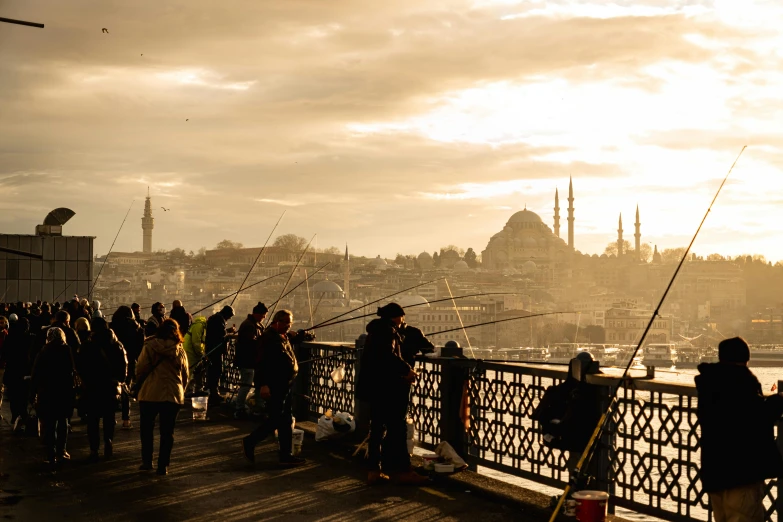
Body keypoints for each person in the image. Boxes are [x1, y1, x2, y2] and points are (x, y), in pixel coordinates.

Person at [695, 337, 783, 522]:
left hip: (715, 471)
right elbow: (757, 415)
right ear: (745, 359)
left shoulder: (709, 383)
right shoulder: (740, 382)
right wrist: (779, 400)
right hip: (740, 472)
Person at [356, 303, 427, 485]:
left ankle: (374, 470)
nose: (403, 320)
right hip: (387, 388)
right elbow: (388, 356)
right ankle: (402, 470)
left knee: (377, 428)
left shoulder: (376, 330)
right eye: (402, 316)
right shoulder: (387, 332)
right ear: (396, 317)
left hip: (375, 387)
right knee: (397, 427)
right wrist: (407, 370)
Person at [241, 310, 307, 466]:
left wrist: (296, 336)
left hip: (285, 384)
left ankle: (286, 454)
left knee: (285, 420)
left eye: (289, 323)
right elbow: (262, 363)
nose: (287, 325)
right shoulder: (269, 338)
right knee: (276, 419)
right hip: (274, 385)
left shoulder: (280, 336)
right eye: (284, 322)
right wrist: (263, 385)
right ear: (276, 321)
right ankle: (250, 441)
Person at [136, 319, 188, 476]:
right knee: (167, 432)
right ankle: (163, 466)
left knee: (147, 429)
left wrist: (139, 385)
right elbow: (185, 375)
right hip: (172, 395)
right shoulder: (180, 350)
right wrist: (181, 391)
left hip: (150, 393)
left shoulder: (150, 346)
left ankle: (147, 461)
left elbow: (141, 368)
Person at [78, 317, 128, 461]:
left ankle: (94, 449)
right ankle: (108, 441)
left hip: (92, 387)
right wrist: (120, 381)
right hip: (110, 386)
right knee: (109, 417)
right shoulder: (117, 345)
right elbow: (124, 365)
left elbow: (81, 366)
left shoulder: (88, 345)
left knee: (93, 420)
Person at [30, 327, 77, 470]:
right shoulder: (68, 350)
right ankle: (62, 450)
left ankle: (50, 454)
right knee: (63, 422)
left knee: (49, 425)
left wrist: (32, 395)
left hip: (47, 393)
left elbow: (36, 375)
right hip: (64, 392)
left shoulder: (44, 352)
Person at [111, 306, 145, 429]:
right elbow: (141, 347)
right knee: (125, 388)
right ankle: (126, 419)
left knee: (112, 388)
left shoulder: (112, 326)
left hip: (113, 360)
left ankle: (111, 417)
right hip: (130, 361)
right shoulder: (137, 328)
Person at [233, 302, 268, 419]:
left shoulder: (253, 324)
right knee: (246, 385)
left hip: (251, 361)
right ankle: (239, 408)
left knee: (253, 385)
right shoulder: (249, 325)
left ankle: (255, 407)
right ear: (258, 314)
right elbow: (250, 344)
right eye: (263, 316)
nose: (264, 318)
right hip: (247, 361)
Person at [1, 317, 32, 430]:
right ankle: (23, 415)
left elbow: (4, 353)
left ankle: (15, 415)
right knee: (23, 395)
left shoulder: (10, 337)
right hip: (24, 371)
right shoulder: (29, 338)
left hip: (12, 370)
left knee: (13, 395)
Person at [204, 305, 236, 403]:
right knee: (216, 371)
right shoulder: (218, 320)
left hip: (211, 349)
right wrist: (230, 334)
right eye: (230, 316)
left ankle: (213, 392)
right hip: (215, 350)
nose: (230, 318)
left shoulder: (215, 318)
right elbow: (220, 336)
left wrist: (228, 331)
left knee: (214, 370)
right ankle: (214, 393)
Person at [183, 316, 208, 397]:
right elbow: (196, 342)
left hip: (195, 352)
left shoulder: (202, 326)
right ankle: (186, 391)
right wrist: (200, 353)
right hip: (190, 351)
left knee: (199, 371)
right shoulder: (199, 326)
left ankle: (198, 389)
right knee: (189, 372)